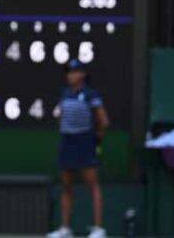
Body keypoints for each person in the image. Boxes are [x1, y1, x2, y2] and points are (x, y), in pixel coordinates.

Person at [47, 59, 109, 238]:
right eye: (69, 72)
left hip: (85, 142)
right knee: (66, 185)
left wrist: (96, 140)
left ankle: (99, 229)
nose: (70, 76)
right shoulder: (65, 94)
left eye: (74, 72)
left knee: (92, 185)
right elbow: (60, 114)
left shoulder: (91, 94)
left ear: (82, 75)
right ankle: (65, 228)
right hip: (67, 141)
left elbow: (103, 121)